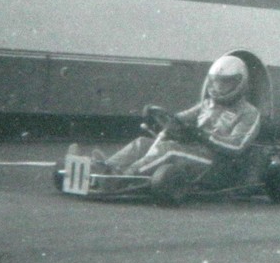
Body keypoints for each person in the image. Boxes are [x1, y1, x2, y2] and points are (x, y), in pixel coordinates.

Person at [80, 56, 261, 184]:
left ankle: (121, 177)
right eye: (216, 82)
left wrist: (203, 135)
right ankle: (104, 168)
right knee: (143, 142)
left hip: (217, 163)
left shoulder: (249, 113)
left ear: (239, 83)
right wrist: (160, 119)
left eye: (225, 83)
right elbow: (178, 119)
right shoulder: (206, 104)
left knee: (170, 150)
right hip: (194, 152)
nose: (219, 87)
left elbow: (237, 146)